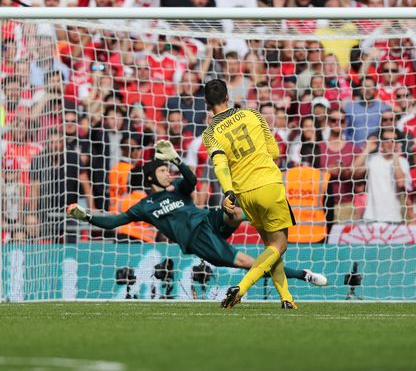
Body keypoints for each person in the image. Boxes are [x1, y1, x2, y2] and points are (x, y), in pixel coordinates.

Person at [67, 143, 327, 289]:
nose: (168, 173)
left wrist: (178, 160)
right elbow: (116, 220)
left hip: (207, 220)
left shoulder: (178, 189)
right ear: (150, 177)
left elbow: (190, 179)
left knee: (234, 211)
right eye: (163, 170)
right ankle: (303, 274)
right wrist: (88, 217)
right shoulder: (144, 206)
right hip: (197, 240)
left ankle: (268, 215)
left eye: (169, 169)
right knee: (252, 263)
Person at [202, 79, 301, 309]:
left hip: (244, 194)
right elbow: (275, 151)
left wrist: (228, 191)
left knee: (270, 246)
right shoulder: (252, 115)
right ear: (228, 96)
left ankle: (287, 298)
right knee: (280, 244)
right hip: (268, 184)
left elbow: (220, 164)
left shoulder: (210, 133)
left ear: (207, 102)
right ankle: (241, 288)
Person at [353, 128, 410, 224]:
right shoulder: (373, 159)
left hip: (393, 218)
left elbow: (401, 183)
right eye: (386, 140)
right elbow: (353, 172)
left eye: (394, 140)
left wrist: (396, 157)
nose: (390, 143)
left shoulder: (402, 162)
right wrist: (367, 150)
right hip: (371, 217)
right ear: (381, 142)